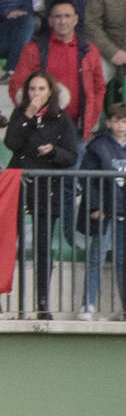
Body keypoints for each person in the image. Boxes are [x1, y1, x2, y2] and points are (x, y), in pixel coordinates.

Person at [5, 70, 78, 319]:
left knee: (43, 248)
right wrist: (26, 116)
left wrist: (53, 151)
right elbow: (11, 143)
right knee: (5, 244)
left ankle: (43, 303)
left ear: (51, 93)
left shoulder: (61, 120)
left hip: (48, 190)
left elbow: (71, 156)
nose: (36, 94)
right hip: (19, 186)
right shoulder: (19, 114)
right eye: (32, 89)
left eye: (41, 89)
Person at [8, 0, 105, 140]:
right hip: (43, 129)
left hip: (77, 129)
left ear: (76, 19)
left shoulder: (90, 50)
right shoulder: (34, 49)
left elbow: (99, 87)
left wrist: (90, 121)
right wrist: (30, 115)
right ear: (50, 21)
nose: (63, 21)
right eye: (58, 16)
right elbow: (17, 86)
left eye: (67, 16)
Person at [78, 102, 126, 321]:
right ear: (108, 122)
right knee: (96, 257)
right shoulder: (98, 146)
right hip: (107, 212)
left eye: (124, 121)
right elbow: (88, 179)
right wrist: (95, 206)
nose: (120, 126)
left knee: (122, 261)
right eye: (116, 120)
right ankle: (87, 304)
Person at [83, 0, 126, 89]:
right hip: (110, 51)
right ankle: (94, 112)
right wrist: (112, 52)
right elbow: (91, 23)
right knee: (93, 77)